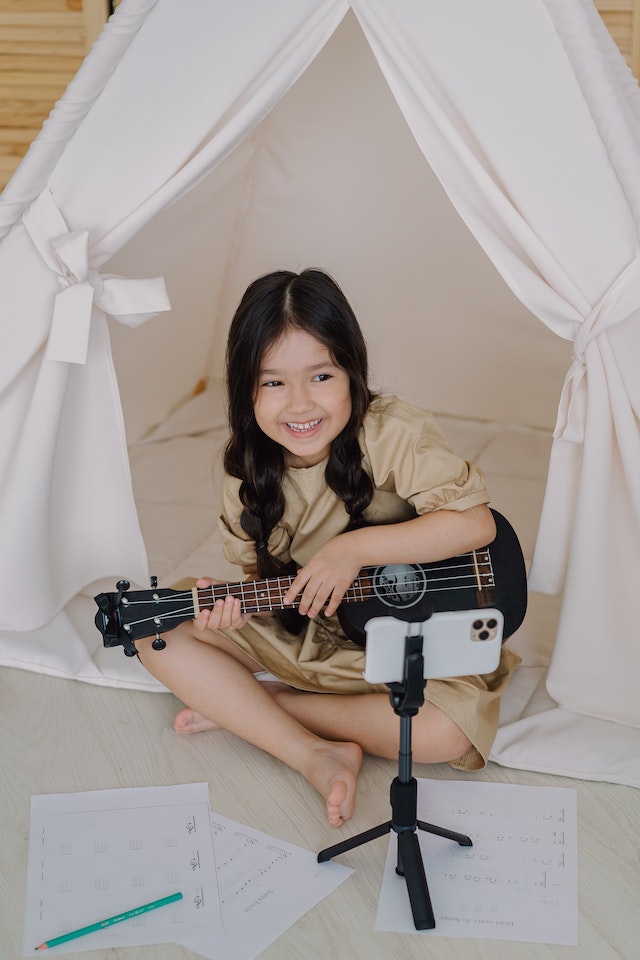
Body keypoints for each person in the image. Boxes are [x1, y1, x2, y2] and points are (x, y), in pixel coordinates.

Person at [134, 268, 519, 828]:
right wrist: (240, 604)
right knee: (158, 636)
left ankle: (257, 708)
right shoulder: (244, 475)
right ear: (245, 389)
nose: (299, 405)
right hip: (313, 629)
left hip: (407, 632)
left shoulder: (392, 433)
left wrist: (355, 550)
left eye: (320, 376)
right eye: (272, 383)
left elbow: (475, 525)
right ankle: (312, 752)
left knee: (444, 732)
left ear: (351, 373)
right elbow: (274, 594)